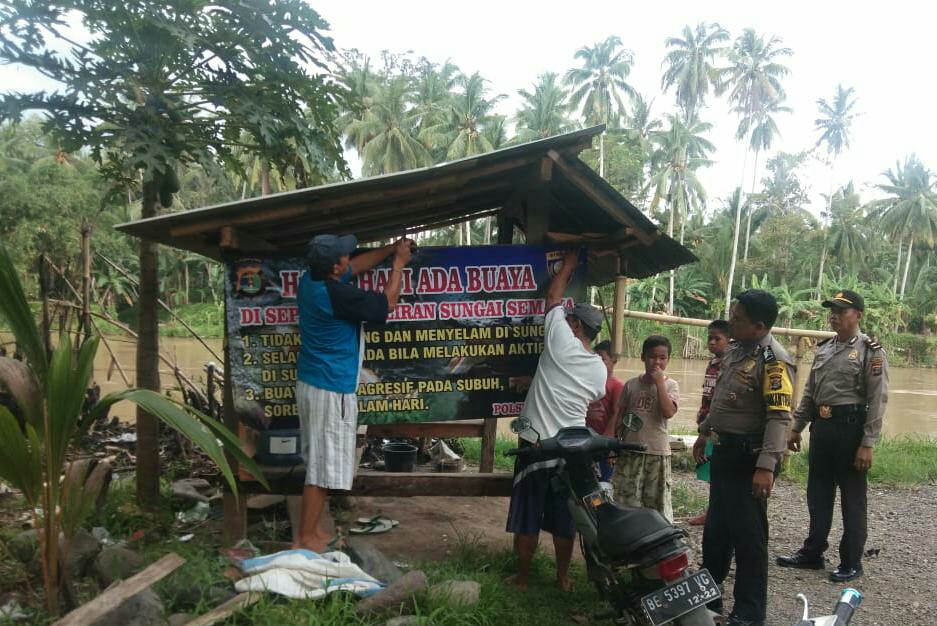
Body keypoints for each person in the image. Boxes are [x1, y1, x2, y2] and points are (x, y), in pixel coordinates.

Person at [294, 233, 413, 552]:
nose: (350, 257)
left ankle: (313, 531)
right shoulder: (337, 295)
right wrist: (399, 264)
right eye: (344, 255)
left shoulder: (310, 281)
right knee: (321, 469)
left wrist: (389, 249)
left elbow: (356, 267)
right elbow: (388, 303)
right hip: (330, 390)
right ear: (334, 268)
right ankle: (306, 538)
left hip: (313, 383)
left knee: (319, 462)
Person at [506, 249, 607, 592]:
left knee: (527, 515)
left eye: (570, 319)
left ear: (575, 326)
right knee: (564, 518)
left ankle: (522, 579)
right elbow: (582, 393)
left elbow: (552, 297)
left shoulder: (560, 342)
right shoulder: (599, 370)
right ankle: (563, 578)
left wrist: (569, 265)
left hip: (536, 443)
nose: (566, 321)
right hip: (571, 449)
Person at [693, 290, 795, 626]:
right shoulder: (736, 351)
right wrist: (705, 432)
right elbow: (722, 400)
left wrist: (766, 466)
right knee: (716, 531)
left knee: (749, 537)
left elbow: (779, 418)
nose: (731, 322)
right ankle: (708, 599)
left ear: (759, 326)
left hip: (748, 458)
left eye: (737, 319)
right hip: (723, 452)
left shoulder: (774, 361)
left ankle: (749, 612)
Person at [776, 290, 888, 583]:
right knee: (818, 494)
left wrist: (867, 443)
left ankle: (851, 561)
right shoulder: (824, 349)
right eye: (832, 311)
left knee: (852, 499)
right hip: (822, 428)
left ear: (858, 315)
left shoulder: (870, 350)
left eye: (841, 311)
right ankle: (813, 553)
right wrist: (797, 427)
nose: (834, 316)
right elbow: (811, 392)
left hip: (850, 429)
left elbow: (877, 400)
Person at [609, 335, 679, 520]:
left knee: (655, 502)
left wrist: (659, 383)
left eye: (662, 358)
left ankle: (656, 532)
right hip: (631, 450)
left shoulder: (671, 385)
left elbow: (668, 412)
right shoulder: (631, 385)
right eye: (652, 356)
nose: (657, 362)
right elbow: (620, 416)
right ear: (642, 357)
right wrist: (616, 445)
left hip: (657, 452)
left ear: (668, 360)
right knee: (625, 498)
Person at [689, 320, 731, 526]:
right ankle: (714, 511)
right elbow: (707, 397)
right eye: (710, 338)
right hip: (707, 422)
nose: (712, 342)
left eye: (717, 339)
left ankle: (718, 513)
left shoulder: (730, 366)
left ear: (730, 341)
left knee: (720, 471)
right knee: (711, 470)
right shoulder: (712, 364)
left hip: (720, 425)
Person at [586, 340, 625, 480]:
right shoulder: (588, 383)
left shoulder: (616, 385)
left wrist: (607, 441)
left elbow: (616, 413)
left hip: (604, 442)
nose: (597, 362)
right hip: (587, 438)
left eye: (602, 358)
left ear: (614, 360)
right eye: (595, 358)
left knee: (603, 478)